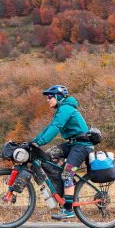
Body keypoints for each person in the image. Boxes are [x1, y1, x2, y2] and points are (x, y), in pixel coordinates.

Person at [31, 84, 94, 220]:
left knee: (67, 174)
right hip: (72, 144)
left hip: (82, 146)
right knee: (46, 156)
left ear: (58, 97)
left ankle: (68, 209)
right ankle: (63, 188)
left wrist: (40, 142)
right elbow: (49, 127)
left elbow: (56, 127)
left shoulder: (66, 108)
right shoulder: (61, 109)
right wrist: (33, 142)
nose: (47, 99)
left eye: (49, 97)